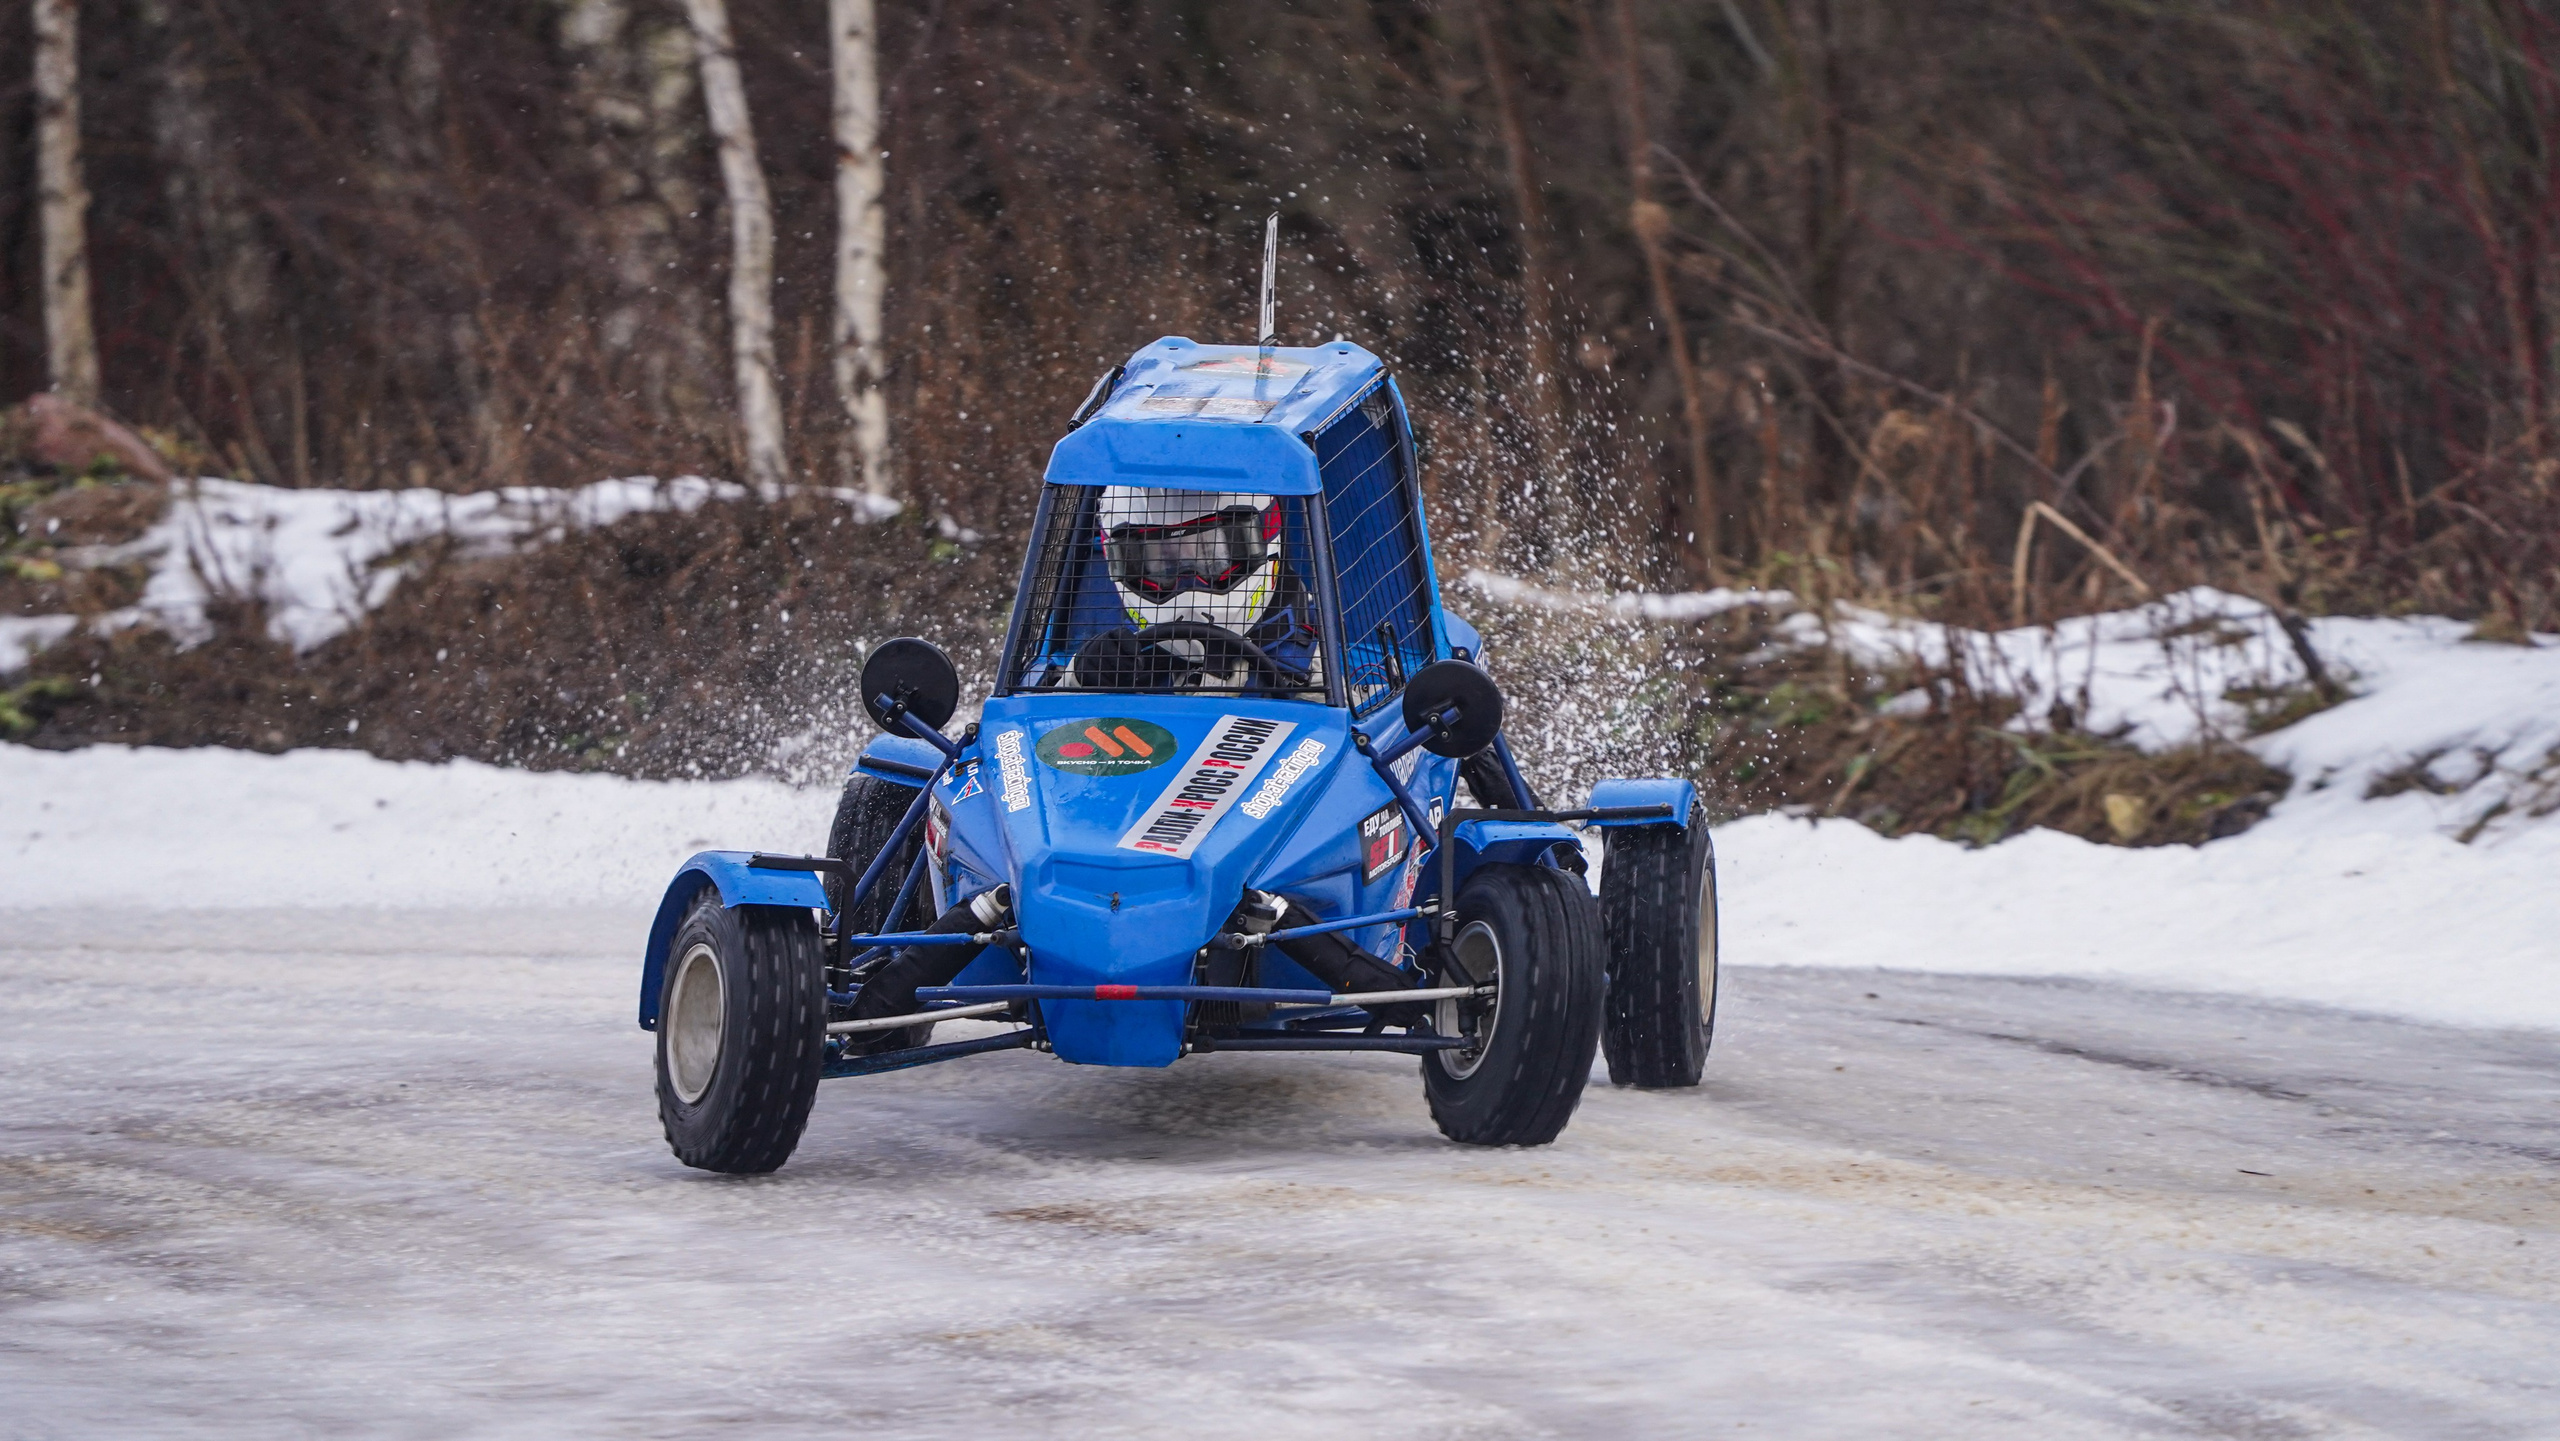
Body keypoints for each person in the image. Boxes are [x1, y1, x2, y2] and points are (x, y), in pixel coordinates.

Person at [1066, 485, 1320, 691]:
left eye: (1208, 554)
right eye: (1163, 561)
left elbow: (1335, 728)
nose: (1188, 582)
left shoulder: (1319, 661)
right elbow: (1052, 727)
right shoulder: (1114, 659)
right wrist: (1078, 680)